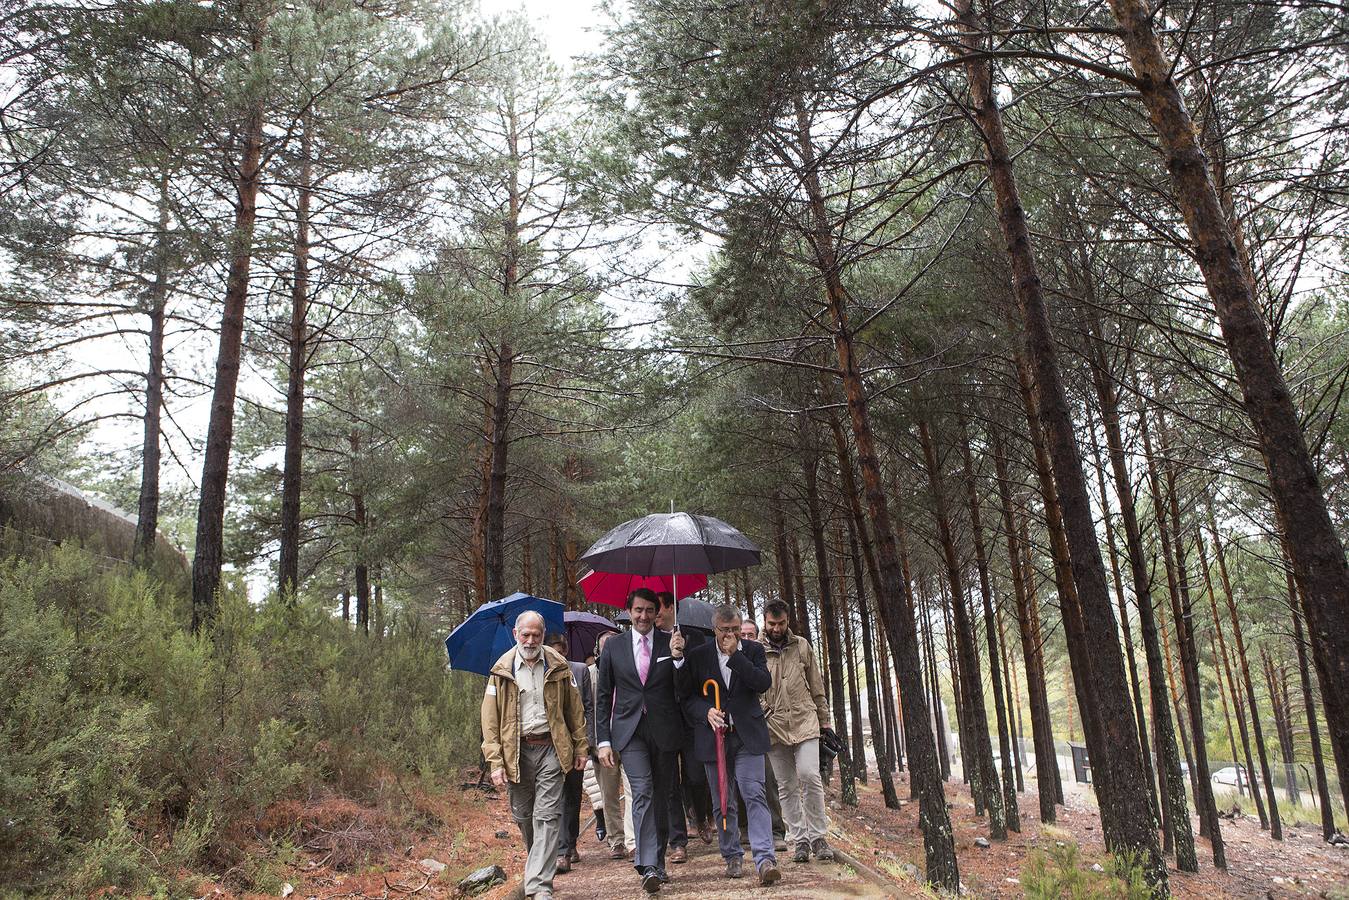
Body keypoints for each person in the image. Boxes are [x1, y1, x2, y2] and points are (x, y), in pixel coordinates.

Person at [481, 611, 589, 900]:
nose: (531, 640)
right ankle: (537, 870)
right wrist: (495, 761)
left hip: (551, 748)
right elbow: (490, 720)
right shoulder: (501, 670)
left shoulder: (558, 664)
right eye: (525, 635)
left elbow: (574, 710)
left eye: (536, 635)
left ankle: (540, 887)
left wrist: (580, 746)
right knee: (523, 815)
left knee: (548, 815)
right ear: (516, 634)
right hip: (516, 752)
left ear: (543, 635)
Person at [675, 604, 781, 887]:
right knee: (723, 799)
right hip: (715, 738)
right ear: (714, 630)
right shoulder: (698, 657)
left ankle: (764, 858)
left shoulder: (753, 651)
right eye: (725, 631)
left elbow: (761, 683)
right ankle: (732, 853)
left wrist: (737, 656)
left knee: (754, 793)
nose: (731, 635)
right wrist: (705, 712)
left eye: (735, 630)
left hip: (747, 735)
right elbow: (686, 697)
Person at [596, 588, 684, 894]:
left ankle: (657, 862)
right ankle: (646, 864)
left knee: (662, 794)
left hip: (664, 730)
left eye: (650, 610)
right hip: (629, 731)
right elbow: (603, 696)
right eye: (638, 610)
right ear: (628, 611)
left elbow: (682, 688)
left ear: (657, 612)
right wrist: (603, 740)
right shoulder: (614, 647)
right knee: (643, 790)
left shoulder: (670, 642)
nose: (644, 616)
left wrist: (678, 659)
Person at [761, 600, 834, 863]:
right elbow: (750, 687)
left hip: (805, 721)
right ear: (765, 621)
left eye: (781, 623)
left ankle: (819, 836)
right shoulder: (756, 650)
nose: (777, 628)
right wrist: (764, 709)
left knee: (809, 775)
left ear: (788, 621)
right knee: (787, 785)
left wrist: (824, 720)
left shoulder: (802, 645)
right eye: (772, 624)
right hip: (774, 726)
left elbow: (817, 685)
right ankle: (800, 839)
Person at [654, 591, 713, 859]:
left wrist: (681, 655)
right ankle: (677, 841)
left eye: (658, 608)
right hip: (664, 717)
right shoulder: (651, 641)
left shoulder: (695, 637)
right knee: (668, 781)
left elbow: (700, 677)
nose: (653, 613)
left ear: (670, 608)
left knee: (695, 773)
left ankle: (700, 815)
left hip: (691, 717)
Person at [545, 632, 592, 874]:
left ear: (564, 651)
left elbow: (587, 708)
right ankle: (562, 850)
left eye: (559, 651)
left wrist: (587, 742)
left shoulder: (580, 671)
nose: (556, 655)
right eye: (551, 651)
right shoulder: (542, 675)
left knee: (573, 796)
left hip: (576, 743)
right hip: (550, 746)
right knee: (557, 798)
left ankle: (571, 843)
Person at [589, 630, 629, 858]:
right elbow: (590, 709)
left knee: (637, 791)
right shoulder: (590, 674)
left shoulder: (628, 668)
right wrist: (592, 744)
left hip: (630, 738)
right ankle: (617, 840)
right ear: (599, 649)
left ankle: (636, 838)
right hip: (603, 744)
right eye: (606, 645)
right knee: (609, 794)